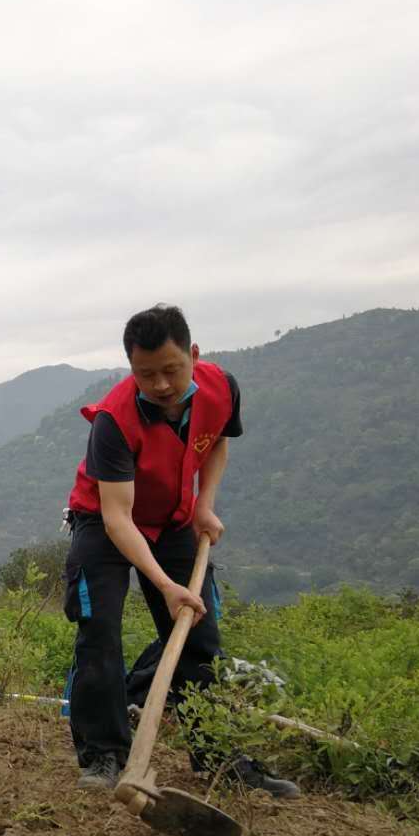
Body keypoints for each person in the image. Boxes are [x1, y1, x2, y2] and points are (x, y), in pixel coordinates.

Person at [63, 305, 299, 798]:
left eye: (171, 369)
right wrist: (165, 585)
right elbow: (116, 519)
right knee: (100, 631)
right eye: (146, 374)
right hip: (105, 524)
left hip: (174, 520)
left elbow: (215, 445)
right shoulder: (113, 420)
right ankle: (105, 754)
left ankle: (218, 758)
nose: (162, 384)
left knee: (197, 633)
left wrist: (204, 506)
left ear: (194, 354)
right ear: (130, 369)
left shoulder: (221, 388)